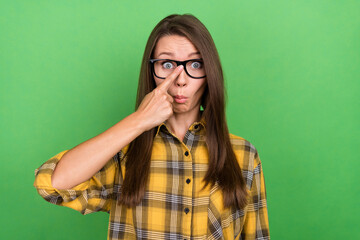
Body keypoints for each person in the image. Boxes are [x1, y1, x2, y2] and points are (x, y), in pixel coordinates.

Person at [33, 14, 270, 239]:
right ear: (151, 70)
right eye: (167, 64)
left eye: (195, 64)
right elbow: (51, 184)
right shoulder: (125, 154)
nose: (180, 79)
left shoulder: (244, 156)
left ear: (210, 72)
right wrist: (139, 120)